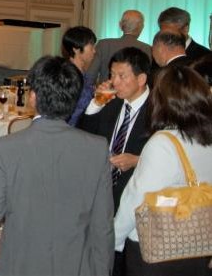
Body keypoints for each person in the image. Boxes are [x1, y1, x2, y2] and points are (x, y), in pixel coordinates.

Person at [0, 55, 114, 276]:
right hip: (76, 265)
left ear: (33, 97)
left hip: (21, 264)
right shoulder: (97, 148)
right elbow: (103, 226)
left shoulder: (5, 148)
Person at [114, 66, 212, 275]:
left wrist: (113, 239)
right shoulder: (206, 138)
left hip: (157, 247)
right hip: (198, 242)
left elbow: (137, 200)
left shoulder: (163, 143)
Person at [79, 47, 151, 211]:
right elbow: (84, 137)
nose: (114, 82)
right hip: (100, 190)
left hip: (135, 197)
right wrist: (96, 103)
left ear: (141, 79)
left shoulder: (159, 110)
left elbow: (171, 158)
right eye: (112, 75)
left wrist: (137, 161)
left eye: (121, 76)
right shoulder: (110, 101)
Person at [88, 10, 152, 84]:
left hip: (106, 90)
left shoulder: (103, 44)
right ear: (141, 27)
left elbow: (90, 76)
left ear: (120, 25)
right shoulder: (147, 49)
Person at [62, 25, 98, 126]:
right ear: (76, 49)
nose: (94, 51)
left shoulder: (84, 75)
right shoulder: (67, 77)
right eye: (91, 47)